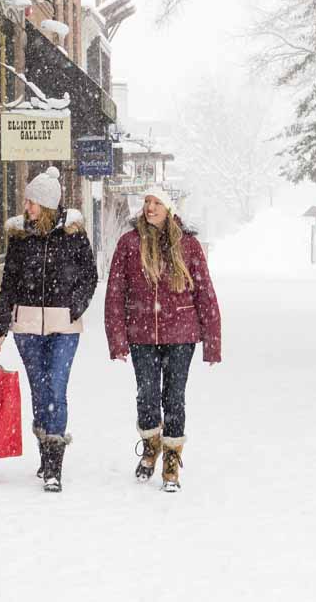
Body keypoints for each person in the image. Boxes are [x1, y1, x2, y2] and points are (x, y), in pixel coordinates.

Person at [104, 187, 221, 493]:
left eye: (156, 203)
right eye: (147, 202)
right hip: (141, 334)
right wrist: (117, 339)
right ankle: (151, 446)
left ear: (169, 209)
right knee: (146, 396)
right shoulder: (129, 243)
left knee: (174, 397)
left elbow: (205, 293)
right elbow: (115, 294)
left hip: (181, 335)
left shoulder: (188, 245)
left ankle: (171, 458)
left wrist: (212, 342)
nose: (150, 207)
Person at [0, 166, 98, 493]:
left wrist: (74, 306)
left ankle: (54, 467)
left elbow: (88, 276)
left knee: (56, 387)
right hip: (25, 324)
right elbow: (8, 282)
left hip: (64, 325)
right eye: (26, 201)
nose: (27, 207)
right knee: (39, 388)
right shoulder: (21, 236)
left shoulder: (73, 234)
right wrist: (0, 326)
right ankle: (46, 448)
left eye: (32, 202)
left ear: (47, 204)